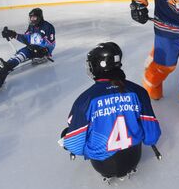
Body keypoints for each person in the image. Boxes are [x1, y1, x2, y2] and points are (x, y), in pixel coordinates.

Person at [60, 42, 161, 180]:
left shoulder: (86, 99)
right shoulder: (138, 92)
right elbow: (152, 136)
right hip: (133, 158)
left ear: (98, 66)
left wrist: (66, 137)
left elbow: (74, 145)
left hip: (102, 165)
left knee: (69, 132)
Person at [0, 8, 56, 78]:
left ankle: (8, 66)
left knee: (24, 53)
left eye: (34, 17)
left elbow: (52, 43)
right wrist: (13, 34)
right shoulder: (32, 26)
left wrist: (45, 51)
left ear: (40, 17)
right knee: (20, 52)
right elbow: (26, 39)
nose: (32, 19)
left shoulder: (48, 27)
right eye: (31, 17)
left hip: (41, 51)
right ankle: (6, 64)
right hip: (33, 48)